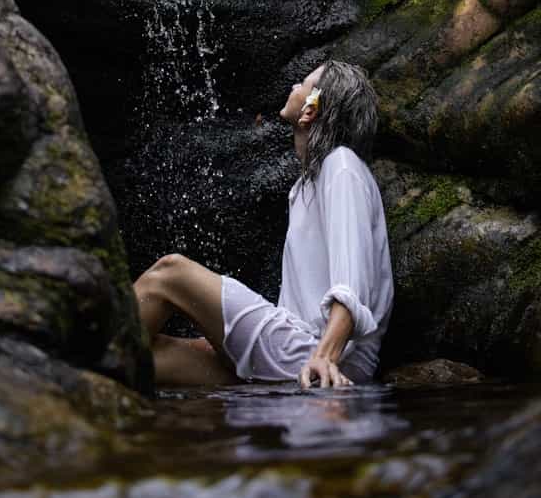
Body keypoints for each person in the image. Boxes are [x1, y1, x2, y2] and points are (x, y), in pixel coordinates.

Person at [134, 59, 394, 388]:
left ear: (312, 108)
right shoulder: (305, 187)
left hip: (319, 352)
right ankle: (67, 377)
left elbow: (352, 285)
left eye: (303, 84)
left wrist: (325, 357)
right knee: (145, 357)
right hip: (297, 350)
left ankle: (63, 360)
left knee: (168, 274)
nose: (293, 88)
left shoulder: (341, 165)